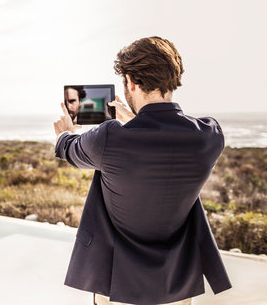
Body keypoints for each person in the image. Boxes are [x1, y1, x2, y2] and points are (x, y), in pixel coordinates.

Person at [53, 36, 231, 305]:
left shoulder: (109, 138)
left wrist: (65, 133)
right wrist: (138, 121)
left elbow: (70, 150)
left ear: (131, 83)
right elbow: (164, 141)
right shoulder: (209, 137)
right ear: (174, 78)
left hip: (118, 287)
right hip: (177, 286)